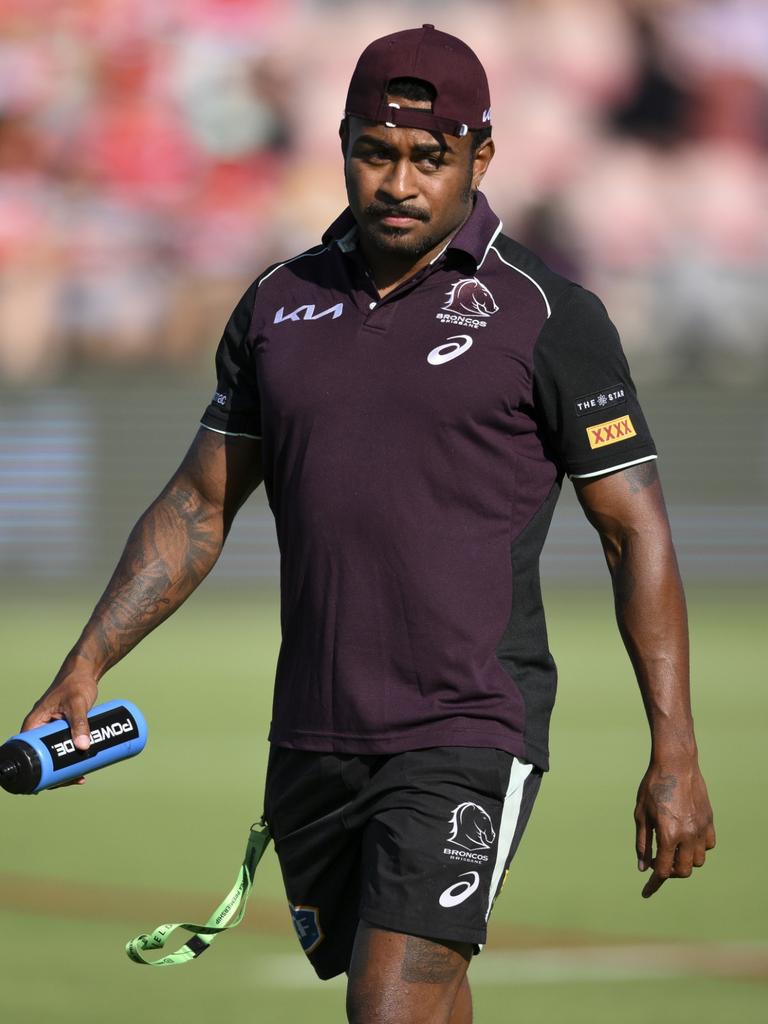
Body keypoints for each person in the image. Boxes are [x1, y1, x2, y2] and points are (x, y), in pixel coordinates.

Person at [23, 25, 715, 1024]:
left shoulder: (548, 314)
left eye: (428, 159)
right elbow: (198, 504)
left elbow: (633, 533)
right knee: (427, 995)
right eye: (374, 153)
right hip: (314, 732)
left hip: (470, 725)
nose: (398, 181)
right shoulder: (276, 303)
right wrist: (87, 662)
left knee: (389, 1002)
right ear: (342, 142)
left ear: (481, 158)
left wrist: (676, 750)